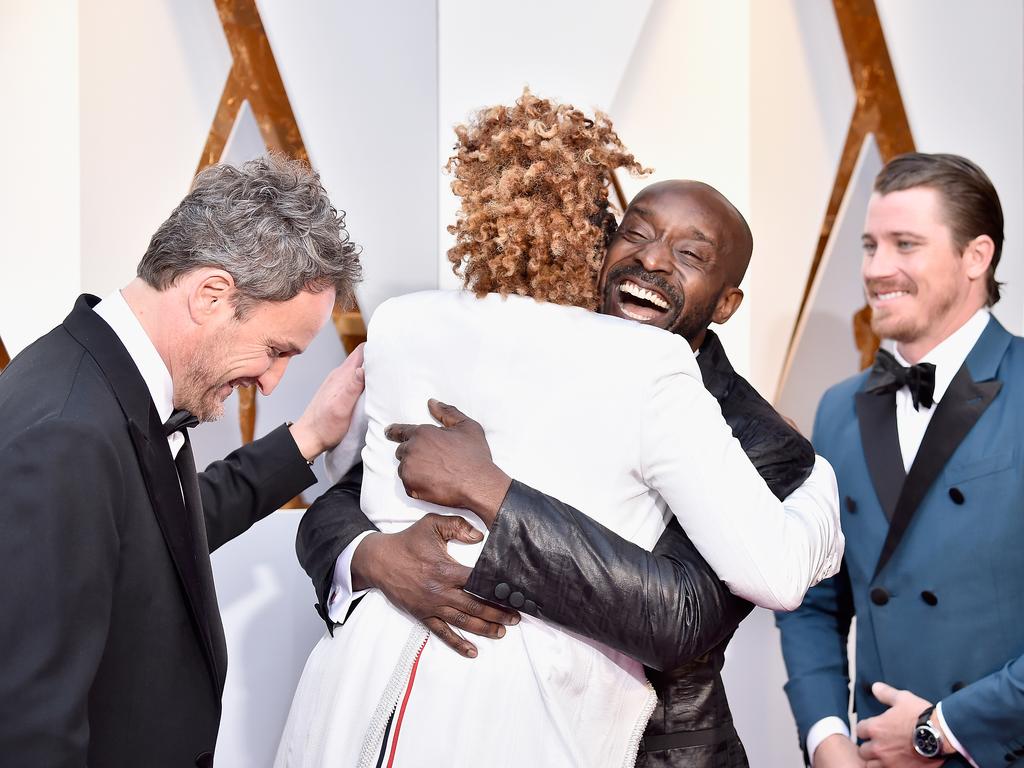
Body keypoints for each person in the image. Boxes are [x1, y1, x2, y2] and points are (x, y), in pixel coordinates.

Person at [275, 92, 840, 768]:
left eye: (690, 253)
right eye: (636, 233)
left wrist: (492, 492)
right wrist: (374, 556)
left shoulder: (762, 439)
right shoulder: (527, 344)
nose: (653, 260)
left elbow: (682, 619)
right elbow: (350, 499)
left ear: (727, 302)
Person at [0, 155, 365, 768]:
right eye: (276, 350)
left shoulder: (107, 388)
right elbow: (29, 730)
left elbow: (157, 534)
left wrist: (307, 438)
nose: (273, 383)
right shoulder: (67, 435)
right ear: (211, 295)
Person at [776, 152, 1024, 768]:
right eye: (869, 246)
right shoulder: (839, 408)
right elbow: (815, 600)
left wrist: (940, 728)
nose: (876, 269)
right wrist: (827, 736)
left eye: (905, 244)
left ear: (976, 256)